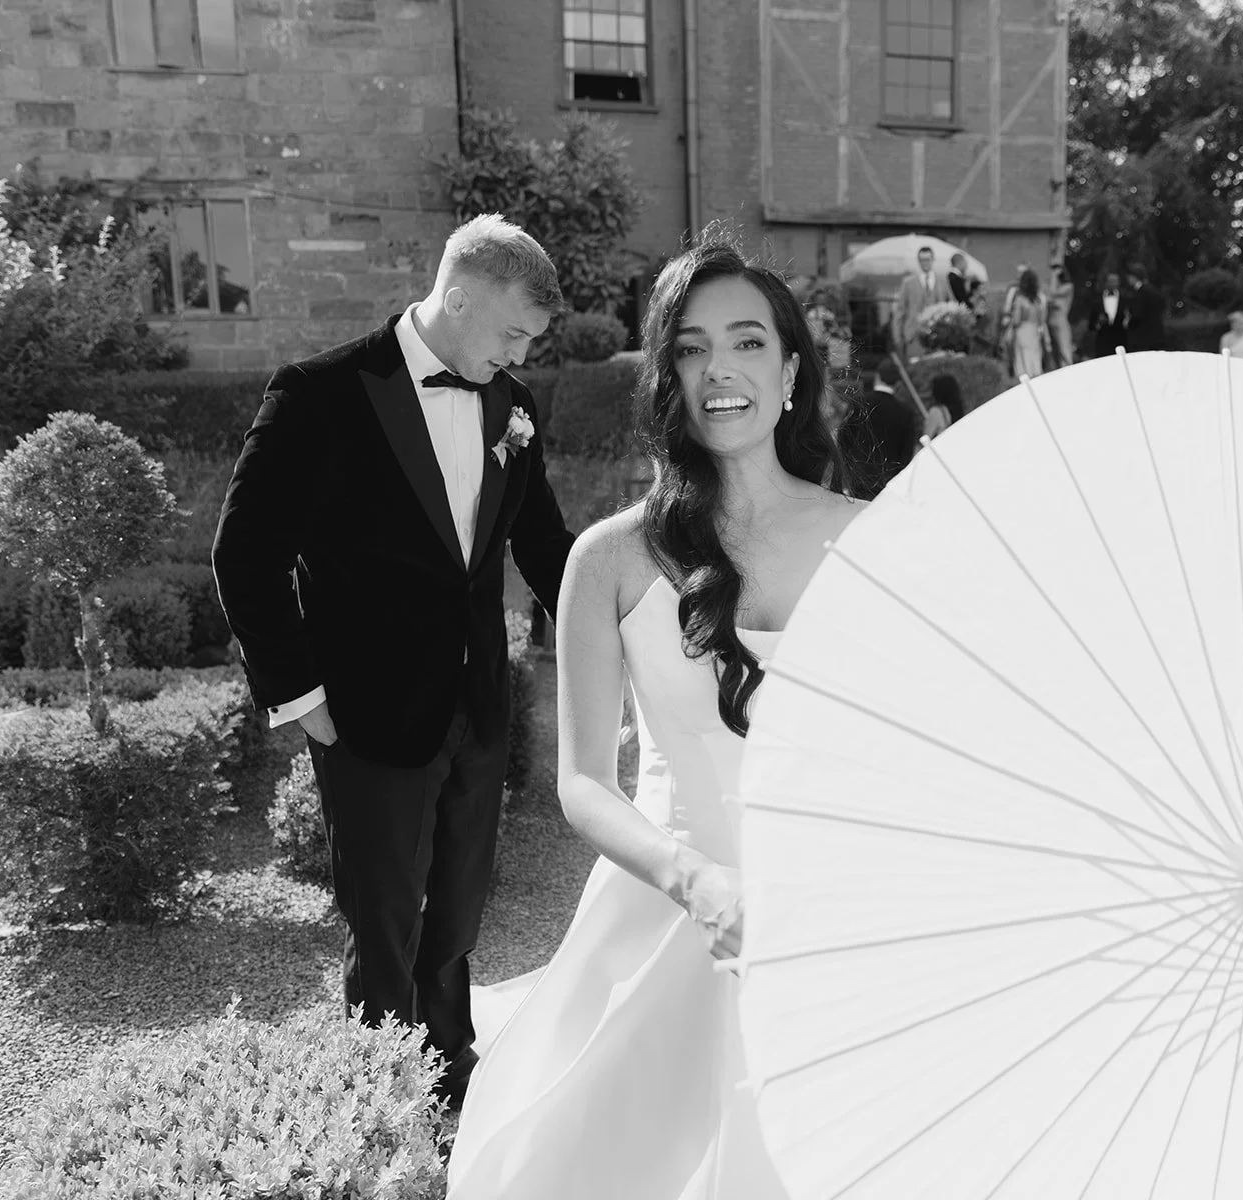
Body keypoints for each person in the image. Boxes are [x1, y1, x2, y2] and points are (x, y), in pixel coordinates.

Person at [445, 230, 867, 1198]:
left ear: (791, 368)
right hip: (668, 907)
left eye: (749, 341)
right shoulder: (607, 558)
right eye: (690, 346)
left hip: (834, 915)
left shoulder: (873, 540)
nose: (720, 367)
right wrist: (698, 882)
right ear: (667, 378)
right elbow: (583, 783)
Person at [211, 215, 578, 1115]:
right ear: (458, 297)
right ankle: (384, 1105)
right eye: (514, 333)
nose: (523, 354)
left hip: (479, 707)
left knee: (455, 915)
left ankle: (454, 1081)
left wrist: (632, 637)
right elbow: (243, 553)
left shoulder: (514, 407)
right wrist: (299, 696)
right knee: (383, 926)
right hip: (366, 714)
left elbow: (543, 546)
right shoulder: (319, 394)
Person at [839, 355, 921, 500]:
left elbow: (844, 438)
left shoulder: (859, 404)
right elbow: (906, 454)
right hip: (890, 481)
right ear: (898, 384)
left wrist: (848, 468)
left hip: (859, 477)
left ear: (877, 376)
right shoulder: (906, 412)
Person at [891, 244, 953, 360]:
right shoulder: (908, 283)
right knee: (915, 368)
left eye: (928, 259)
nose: (925, 262)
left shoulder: (943, 281)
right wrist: (897, 337)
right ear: (918, 261)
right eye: (922, 260)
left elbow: (951, 307)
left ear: (933, 260)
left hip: (938, 335)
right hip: (914, 335)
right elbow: (900, 311)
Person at [1006, 266, 1049, 378]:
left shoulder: (1020, 300)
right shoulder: (1039, 300)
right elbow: (1042, 320)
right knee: (1034, 360)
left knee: (1022, 361)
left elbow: (1016, 320)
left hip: (1022, 331)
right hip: (1034, 332)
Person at [1123, 261, 1166, 351]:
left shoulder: (1141, 292)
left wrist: (1128, 323)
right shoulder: (1153, 289)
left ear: (1134, 277)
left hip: (1143, 337)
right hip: (1156, 335)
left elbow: (1137, 314)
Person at [1089, 270, 1129, 358]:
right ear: (1106, 283)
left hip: (1121, 341)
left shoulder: (1126, 298)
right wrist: (1099, 323)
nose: (1114, 284)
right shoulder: (1096, 300)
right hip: (1102, 343)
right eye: (1111, 281)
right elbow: (1091, 325)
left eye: (1116, 281)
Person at [1045, 265, 1075, 370]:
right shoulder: (1054, 287)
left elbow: (1052, 294)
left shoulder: (1068, 286)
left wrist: (1054, 277)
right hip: (1051, 321)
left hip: (1061, 321)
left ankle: (1068, 369)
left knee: (1064, 348)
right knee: (1054, 351)